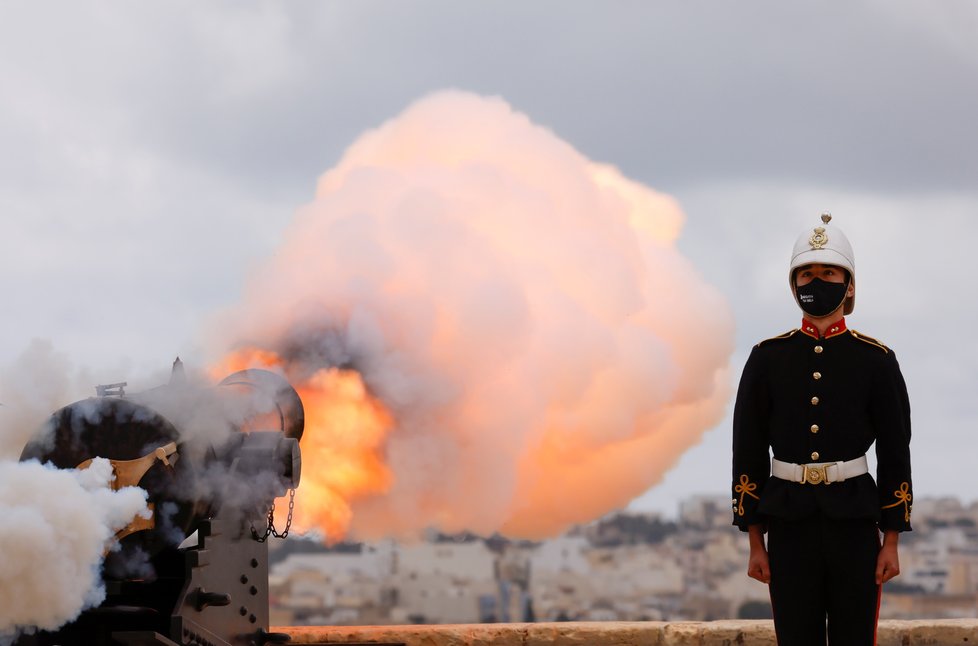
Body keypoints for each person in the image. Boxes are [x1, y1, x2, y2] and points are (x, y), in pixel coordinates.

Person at [731, 214, 912, 645]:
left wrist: (891, 540)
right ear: (794, 285)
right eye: (807, 273)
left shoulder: (876, 360)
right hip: (788, 523)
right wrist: (755, 539)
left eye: (829, 272)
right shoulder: (767, 358)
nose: (818, 280)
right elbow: (748, 450)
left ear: (849, 285)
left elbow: (895, 451)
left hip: (854, 524)